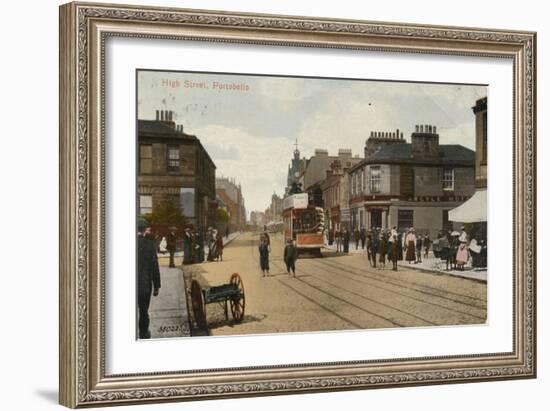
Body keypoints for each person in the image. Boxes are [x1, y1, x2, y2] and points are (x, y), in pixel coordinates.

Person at [137, 218, 161, 339]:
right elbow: (154, 267)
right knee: (143, 311)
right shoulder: (150, 245)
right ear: (145, 230)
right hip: (144, 286)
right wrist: (157, 286)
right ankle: (143, 333)